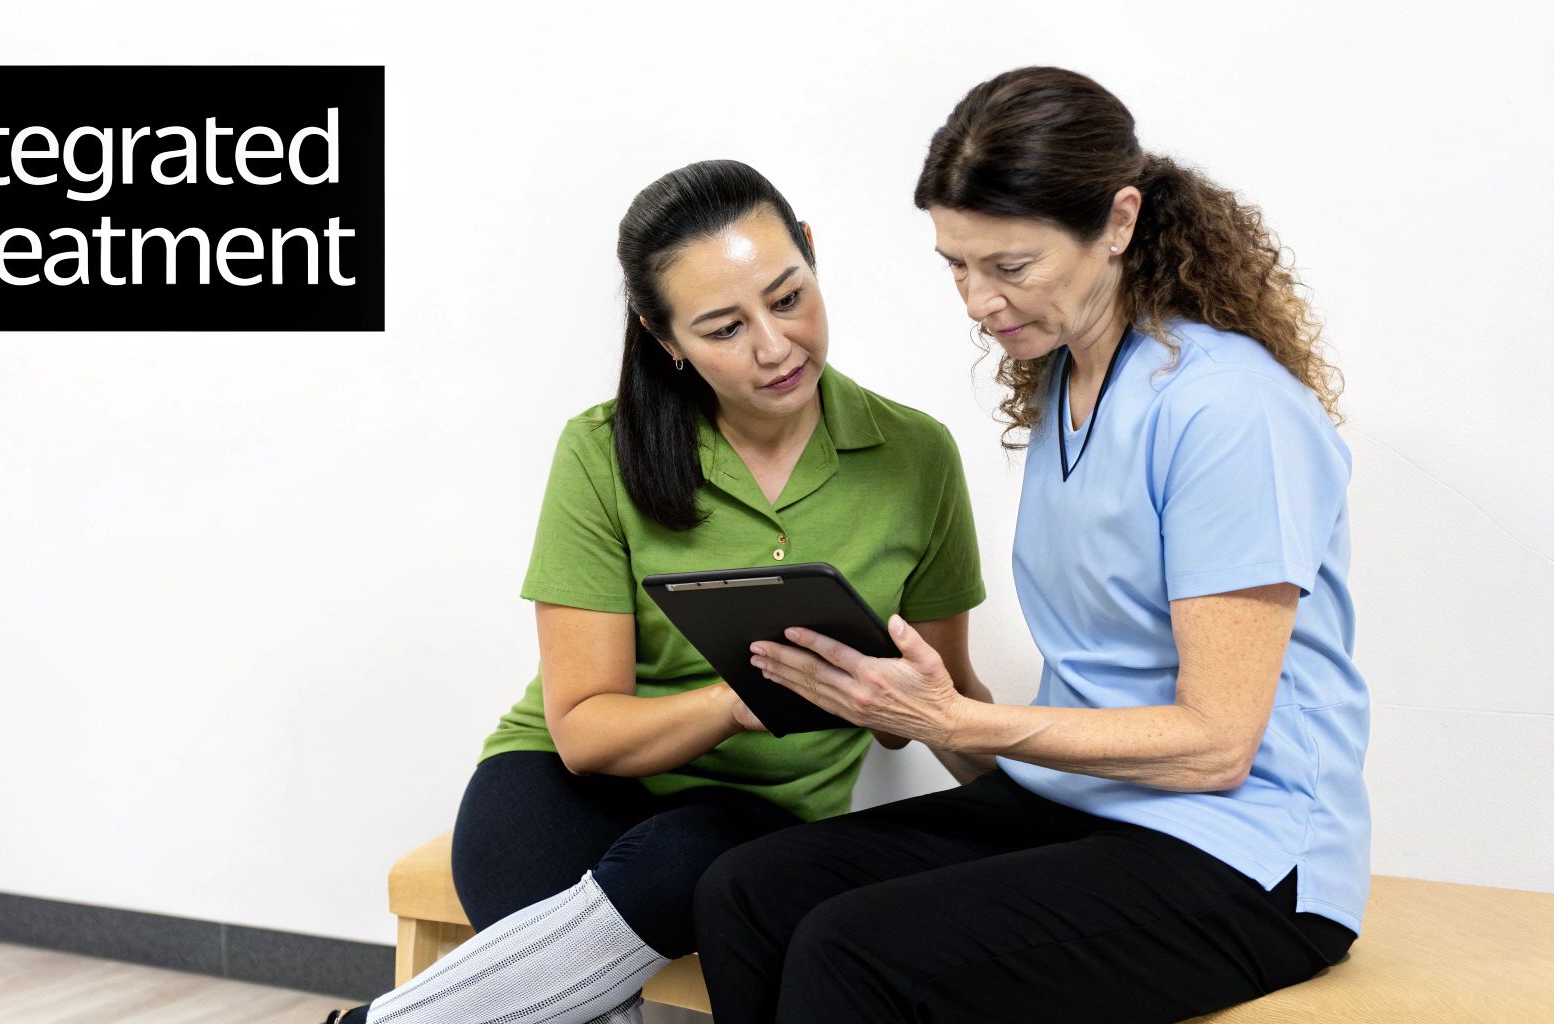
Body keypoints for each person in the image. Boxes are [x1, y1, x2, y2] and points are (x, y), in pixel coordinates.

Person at [693, 66, 1370, 1023]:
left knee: (853, 950)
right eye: (957, 266)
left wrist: (954, 721)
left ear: (1120, 222)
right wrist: (902, 698)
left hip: (1245, 852)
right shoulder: (1068, 382)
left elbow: (1218, 746)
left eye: (1009, 267)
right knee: (748, 891)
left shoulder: (1228, 411)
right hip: (1084, 805)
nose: (978, 299)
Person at [323, 159, 987, 1024]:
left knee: (682, 866)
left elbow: (941, 699)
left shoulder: (916, 456)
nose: (774, 347)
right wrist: (736, 702)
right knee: (582, 985)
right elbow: (583, 733)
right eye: (723, 328)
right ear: (663, 335)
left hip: (752, 818)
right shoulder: (601, 451)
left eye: (788, 298)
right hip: (562, 783)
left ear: (810, 252)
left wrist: (1025, 781)